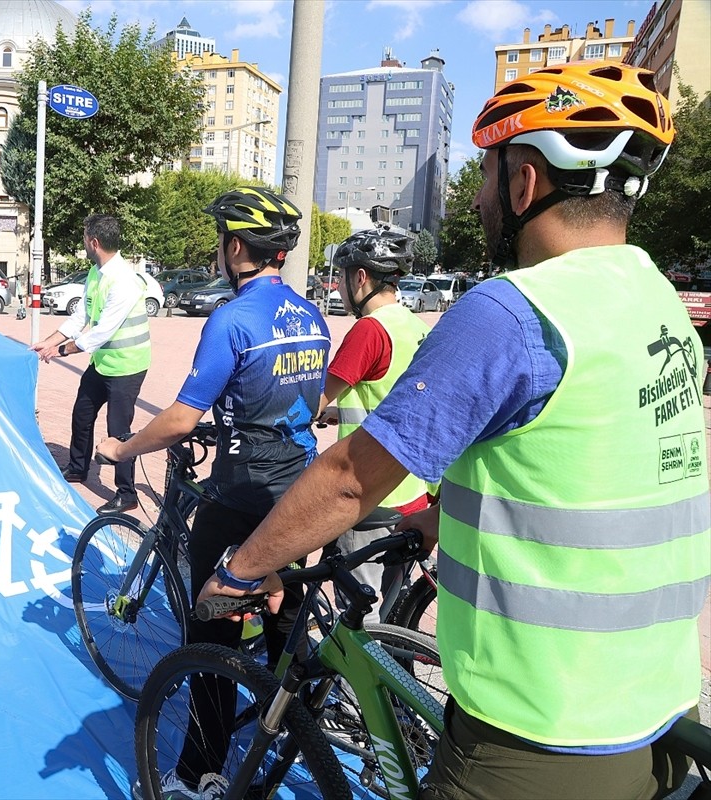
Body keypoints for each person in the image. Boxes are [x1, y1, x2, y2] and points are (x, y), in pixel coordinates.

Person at [198, 61, 708, 799]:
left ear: (524, 182)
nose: (477, 197)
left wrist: (240, 570)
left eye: (485, 173)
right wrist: (438, 518)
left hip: (541, 730)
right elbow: (584, 455)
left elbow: (347, 478)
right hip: (660, 700)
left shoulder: (514, 311)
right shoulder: (657, 297)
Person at [97, 187, 330, 799]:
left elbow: (178, 418)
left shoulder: (232, 317)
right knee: (282, 612)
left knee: (211, 631)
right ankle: (289, 724)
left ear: (235, 247)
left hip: (240, 488)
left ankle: (201, 770)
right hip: (297, 484)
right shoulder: (310, 313)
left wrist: (121, 449)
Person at [315, 228, 432, 624]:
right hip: (414, 494)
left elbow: (316, 398)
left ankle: (354, 688)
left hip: (371, 497)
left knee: (357, 619)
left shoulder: (369, 329)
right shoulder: (416, 327)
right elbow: (390, 395)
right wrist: (340, 415)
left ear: (360, 277)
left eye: (343, 277)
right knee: (391, 612)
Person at [31, 214, 151, 515]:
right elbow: (81, 318)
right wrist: (49, 340)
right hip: (103, 363)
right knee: (82, 414)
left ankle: (127, 494)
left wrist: (62, 350)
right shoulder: (96, 273)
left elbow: (100, 333)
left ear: (93, 242)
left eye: (85, 237)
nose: (83, 242)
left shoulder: (124, 281)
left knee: (119, 432)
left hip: (127, 366)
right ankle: (78, 468)